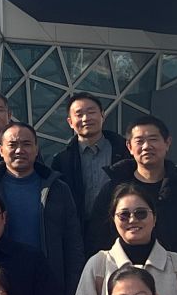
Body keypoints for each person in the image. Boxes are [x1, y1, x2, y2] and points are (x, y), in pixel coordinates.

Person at [94, 114, 177, 268]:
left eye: (153, 139)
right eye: (139, 141)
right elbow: (97, 236)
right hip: (122, 275)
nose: (146, 146)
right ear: (129, 147)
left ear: (167, 143)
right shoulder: (113, 189)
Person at [0, 122, 87, 295]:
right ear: (1, 150)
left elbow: (73, 244)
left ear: (36, 149)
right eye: (12, 145)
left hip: (48, 286)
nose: (19, 150)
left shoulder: (58, 189)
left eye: (26, 144)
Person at [52, 93, 124, 236]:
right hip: (79, 234)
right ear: (70, 122)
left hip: (120, 230)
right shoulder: (62, 161)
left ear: (102, 115)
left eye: (91, 112)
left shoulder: (124, 152)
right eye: (79, 114)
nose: (86, 118)